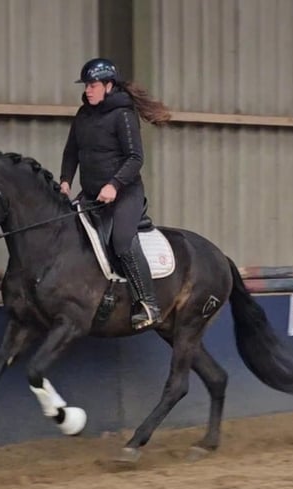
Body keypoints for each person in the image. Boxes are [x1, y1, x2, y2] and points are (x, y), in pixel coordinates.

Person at [59, 57, 171, 330]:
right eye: (86, 86)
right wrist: (64, 181)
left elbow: (135, 158)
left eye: (93, 85)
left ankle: (147, 304)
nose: (88, 90)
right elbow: (71, 151)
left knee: (121, 241)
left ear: (109, 86)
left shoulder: (123, 115)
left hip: (125, 193)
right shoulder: (83, 115)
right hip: (91, 194)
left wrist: (114, 185)